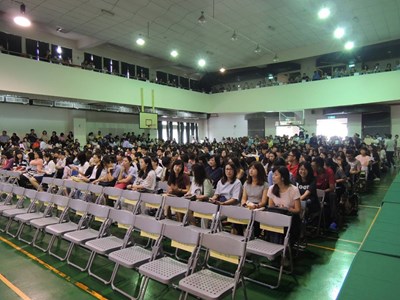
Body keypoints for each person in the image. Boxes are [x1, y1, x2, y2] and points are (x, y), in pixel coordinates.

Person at [268, 166, 301, 243]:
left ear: (282, 177)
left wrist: (287, 209)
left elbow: (298, 210)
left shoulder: (294, 189)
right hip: (277, 215)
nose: (273, 177)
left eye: (276, 175)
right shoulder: (271, 189)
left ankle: (282, 244)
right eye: (273, 174)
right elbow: (271, 207)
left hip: (290, 216)